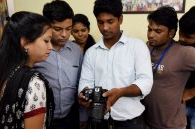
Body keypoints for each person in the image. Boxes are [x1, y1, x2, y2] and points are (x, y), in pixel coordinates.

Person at [142, 6, 195, 129]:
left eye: (187, 36)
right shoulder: (150, 47)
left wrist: (191, 92)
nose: (181, 39)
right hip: (175, 110)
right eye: (181, 32)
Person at [78, 0, 153, 129]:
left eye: (110, 21)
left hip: (130, 121)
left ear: (120, 19)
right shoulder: (91, 53)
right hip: (99, 120)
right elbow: (86, 82)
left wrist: (121, 92)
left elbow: (146, 82)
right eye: (100, 22)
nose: (105, 27)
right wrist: (84, 95)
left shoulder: (137, 47)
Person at [0, 11, 54, 129]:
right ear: (25, 43)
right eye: (46, 41)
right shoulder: (34, 83)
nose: (50, 47)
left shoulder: (6, 72)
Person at [34, 1, 83, 129]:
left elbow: (80, 84)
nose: (64, 34)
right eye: (58, 29)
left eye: (68, 28)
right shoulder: (36, 50)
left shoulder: (76, 51)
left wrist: (82, 116)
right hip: (42, 120)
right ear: (46, 26)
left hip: (70, 118)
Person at [71, 13, 96, 129]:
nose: (80, 34)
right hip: (71, 98)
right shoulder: (68, 50)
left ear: (89, 29)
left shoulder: (95, 50)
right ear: (71, 31)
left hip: (88, 98)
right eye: (76, 31)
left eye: (83, 30)